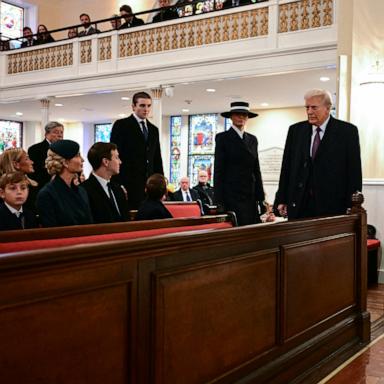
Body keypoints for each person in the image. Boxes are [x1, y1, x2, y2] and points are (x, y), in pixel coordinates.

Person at [275, 89, 362, 219]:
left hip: (333, 206)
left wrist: (352, 205)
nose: (309, 112)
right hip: (299, 204)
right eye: (307, 107)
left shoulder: (347, 132)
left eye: (314, 107)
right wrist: (281, 198)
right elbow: (286, 167)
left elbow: (354, 171)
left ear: (328, 108)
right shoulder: (295, 131)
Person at [110, 91, 164, 210]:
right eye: (142, 105)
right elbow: (114, 156)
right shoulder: (121, 125)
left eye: (149, 106)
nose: (146, 109)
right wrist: (117, 184)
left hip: (149, 186)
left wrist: (161, 185)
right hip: (128, 183)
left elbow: (156, 158)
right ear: (133, 106)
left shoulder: (153, 129)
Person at [214, 101, 265, 226]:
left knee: (251, 229)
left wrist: (261, 197)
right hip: (231, 194)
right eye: (237, 114)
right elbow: (218, 170)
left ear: (247, 117)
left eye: (244, 115)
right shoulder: (223, 138)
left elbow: (256, 168)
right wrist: (219, 200)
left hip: (250, 194)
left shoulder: (252, 139)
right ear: (231, 117)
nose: (241, 117)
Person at [36, 140, 93, 227]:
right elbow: (51, 230)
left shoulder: (81, 191)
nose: (82, 160)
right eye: (77, 156)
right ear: (66, 163)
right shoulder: (47, 194)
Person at [81, 142, 129, 223]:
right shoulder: (84, 190)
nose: (120, 162)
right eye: (117, 157)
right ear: (106, 162)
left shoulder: (118, 189)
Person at [28, 121, 64, 191]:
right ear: (46, 134)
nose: (60, 135)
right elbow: (34, 171)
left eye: (61, 132)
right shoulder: (35, 149)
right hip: (43, 187)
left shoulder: (64, 149)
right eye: (56, 132)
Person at [0, 148, 38, 212]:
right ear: (16, 164)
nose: (32, 162)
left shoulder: (31, 184)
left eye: (23, 188)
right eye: (27, 159)